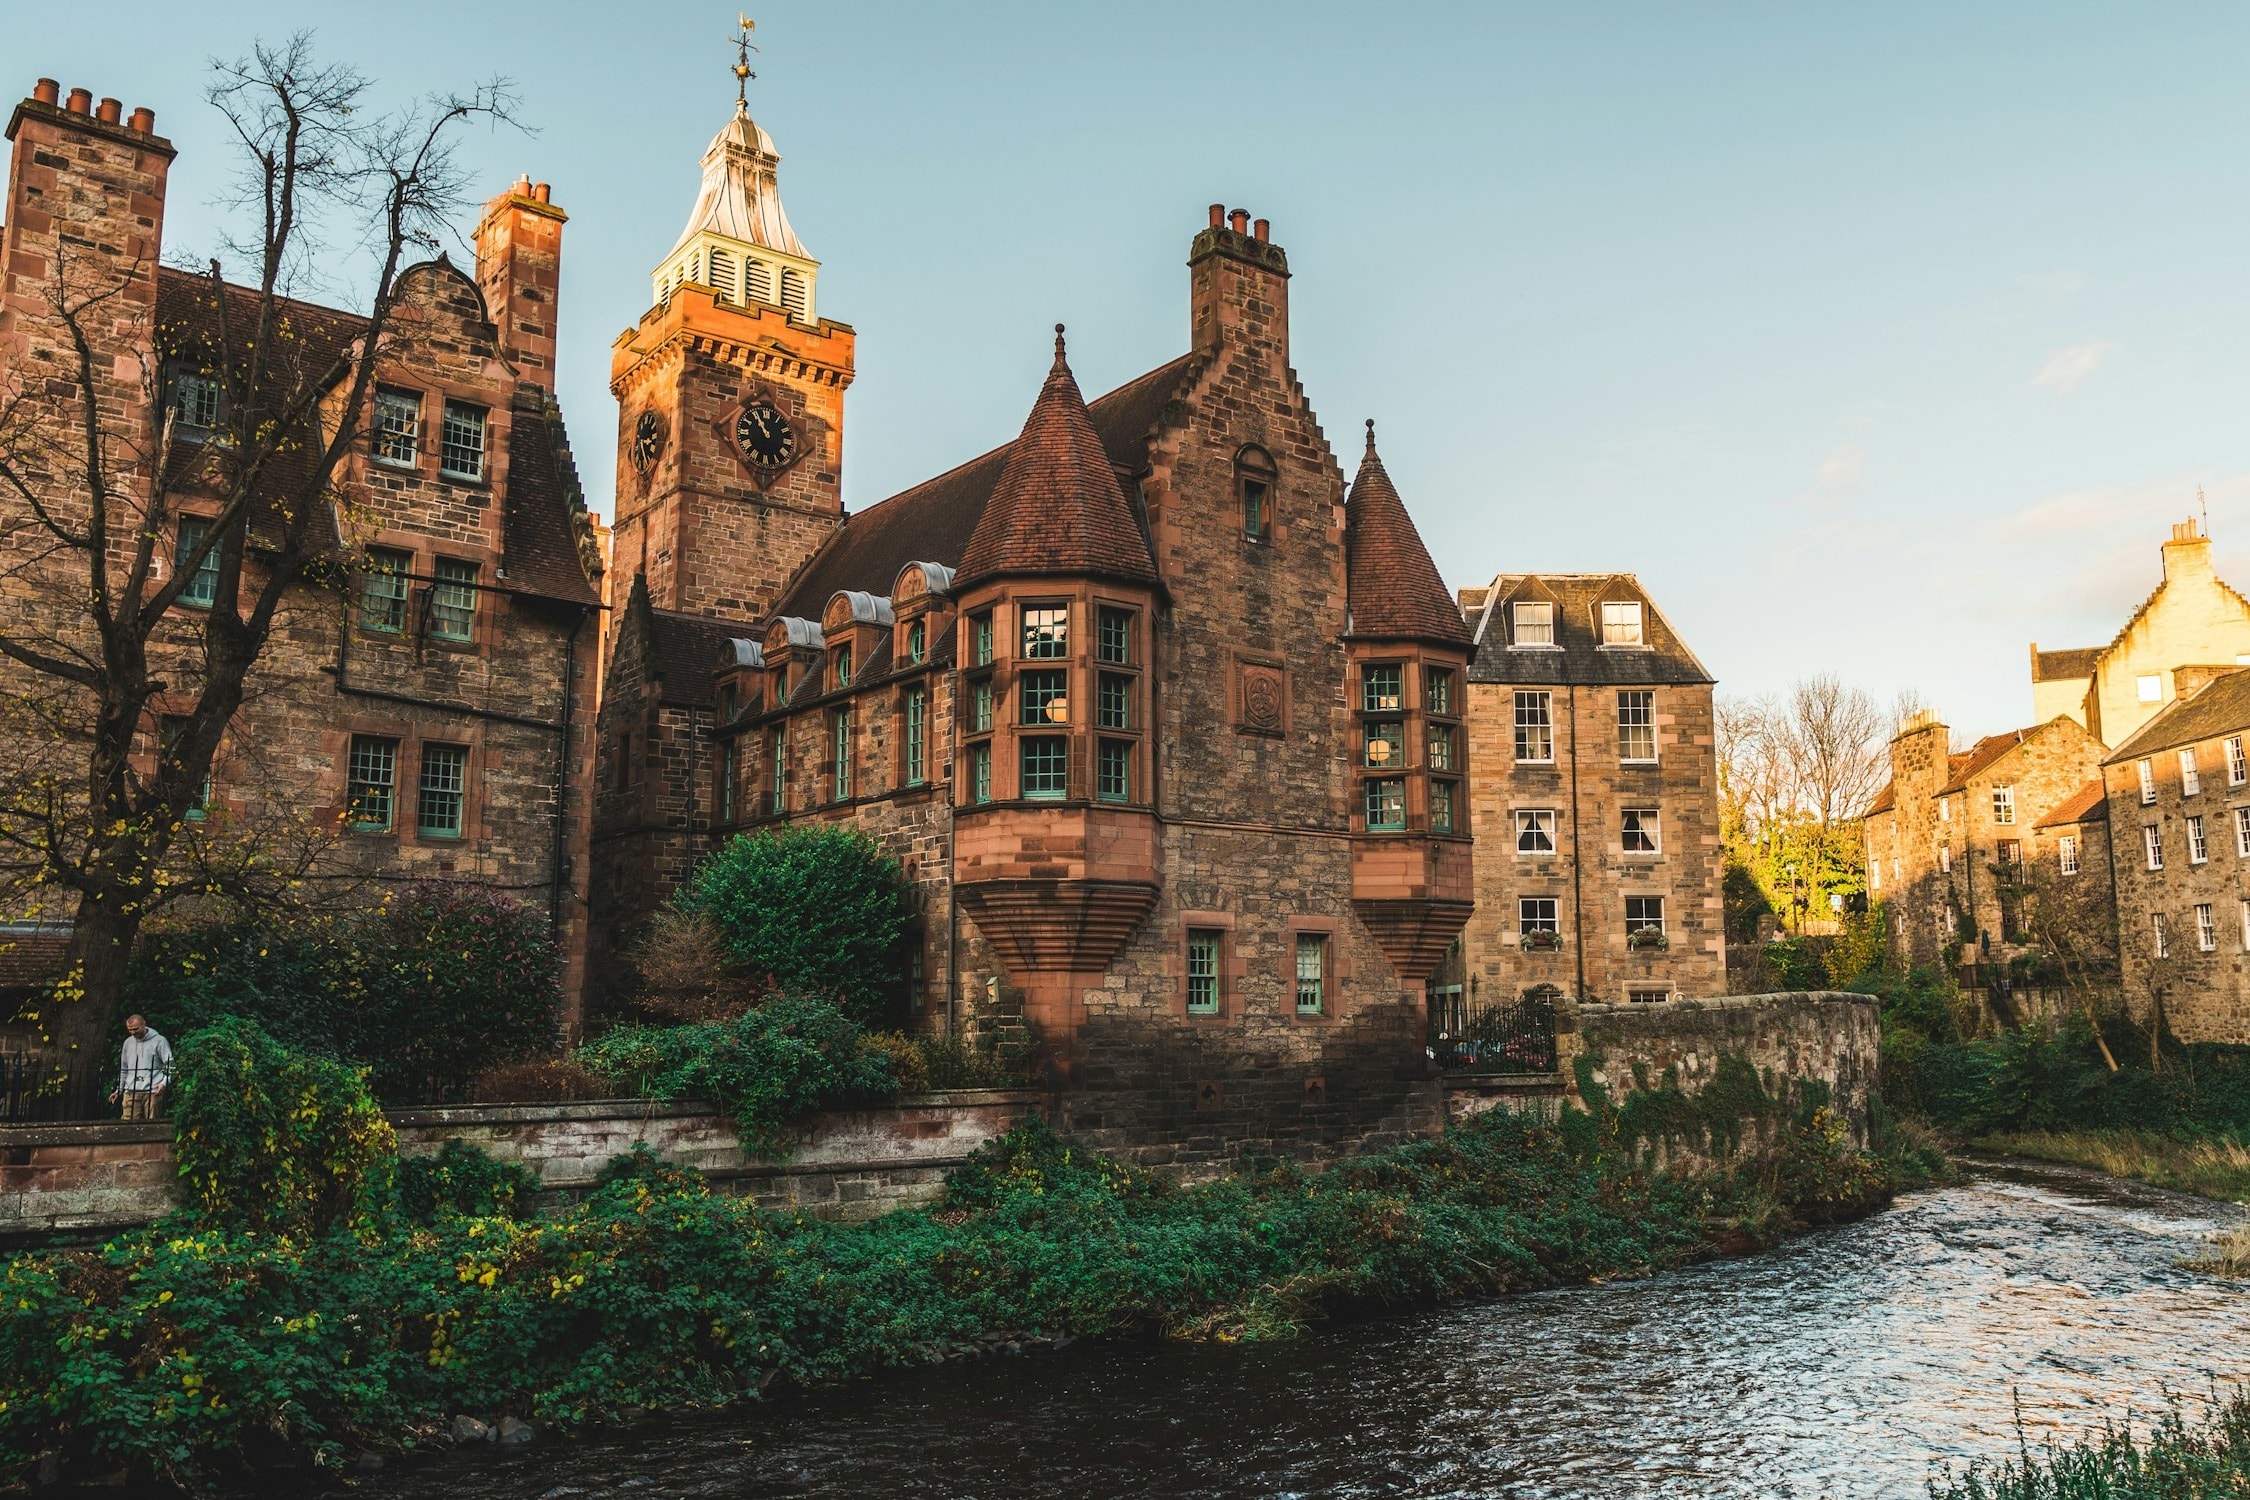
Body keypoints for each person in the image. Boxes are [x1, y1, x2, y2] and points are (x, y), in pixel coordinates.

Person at [110, 1014, 173, 1121]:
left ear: (144, 1025)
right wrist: (119, 1090)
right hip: (131, 1090)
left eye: (135, 1029)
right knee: (127, 1125)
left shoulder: (159, 1041)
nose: (133, 1032)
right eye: (130, 1030)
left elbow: (170, 1064)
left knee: (152, 1125)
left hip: (153, 1090)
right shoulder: (128, 1042)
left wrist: (164, 1083)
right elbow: (124, 1068)